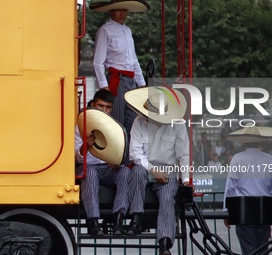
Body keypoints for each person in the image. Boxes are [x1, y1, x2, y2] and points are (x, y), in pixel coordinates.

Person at [124, 86, 191, 255]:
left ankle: (164, 243)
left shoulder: (178, 124)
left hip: (167, 171)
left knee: (168, 198)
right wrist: (152, 170)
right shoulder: (139, 122)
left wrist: (186, 181)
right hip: (145, 167)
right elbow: (135, 154)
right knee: (137, 171)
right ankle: (136, 218)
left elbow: (184, 154)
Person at [90, 0, 150, 139]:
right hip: (117, 80)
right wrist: (104, 86)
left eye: (125, 10)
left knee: (133, 120)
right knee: (117, 121)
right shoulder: (105, 30)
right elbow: (98, 62)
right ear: (111, 11)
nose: (122, 13)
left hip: (130, 80)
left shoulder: (127, 31)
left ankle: (129, 158)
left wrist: (142, 84)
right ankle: (117, 158)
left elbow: (133, 60)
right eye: (118, 10)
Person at [75, 89, 130, 235]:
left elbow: (121, 151)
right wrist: (86, 146)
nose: (104, 110)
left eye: (108, 107)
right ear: (93, 104)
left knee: (124, 171)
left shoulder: (114, 126)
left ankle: (119, 219)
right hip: (87, 168)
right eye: (101, 106)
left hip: (108, 169)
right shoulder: (80, 125)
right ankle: (93, 220)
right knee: (90, 171)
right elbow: (76, 158)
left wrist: (117, 162)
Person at [223, 124, 272, 255]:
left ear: (244, 142)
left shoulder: (237, 159)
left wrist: (226, 211)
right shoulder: (270, 159)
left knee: (249, 249)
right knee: (263, 248)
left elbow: (230, 187)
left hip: (244, 209)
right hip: (265, 209)